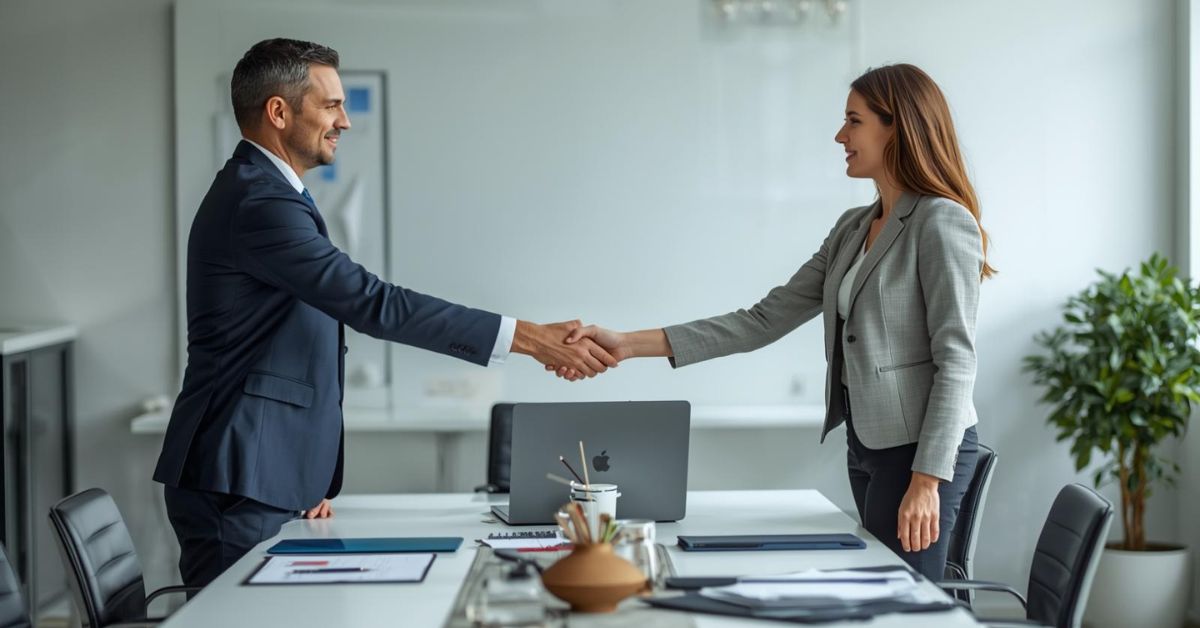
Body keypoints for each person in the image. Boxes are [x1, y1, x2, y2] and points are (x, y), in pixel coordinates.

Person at [153, 38, 616, 589]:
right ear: (278, 111)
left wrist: (301, 480)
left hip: (259, 477)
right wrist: (530, 338)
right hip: (237, 482)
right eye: (331, 105)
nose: (344, 121)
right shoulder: (260, 202)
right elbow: (373, 303)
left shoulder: (268, 193)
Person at [554, 64, 993, 579]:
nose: (840, 136)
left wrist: (926, 480)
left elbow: (956, 362)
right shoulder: (853, 228)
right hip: (868, 445)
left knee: (903, 598)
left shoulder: (941, 220)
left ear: (897, 127)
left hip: (921, 455)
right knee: (881, 590)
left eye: (853, 121)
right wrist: (627, 344)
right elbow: (763, 320)